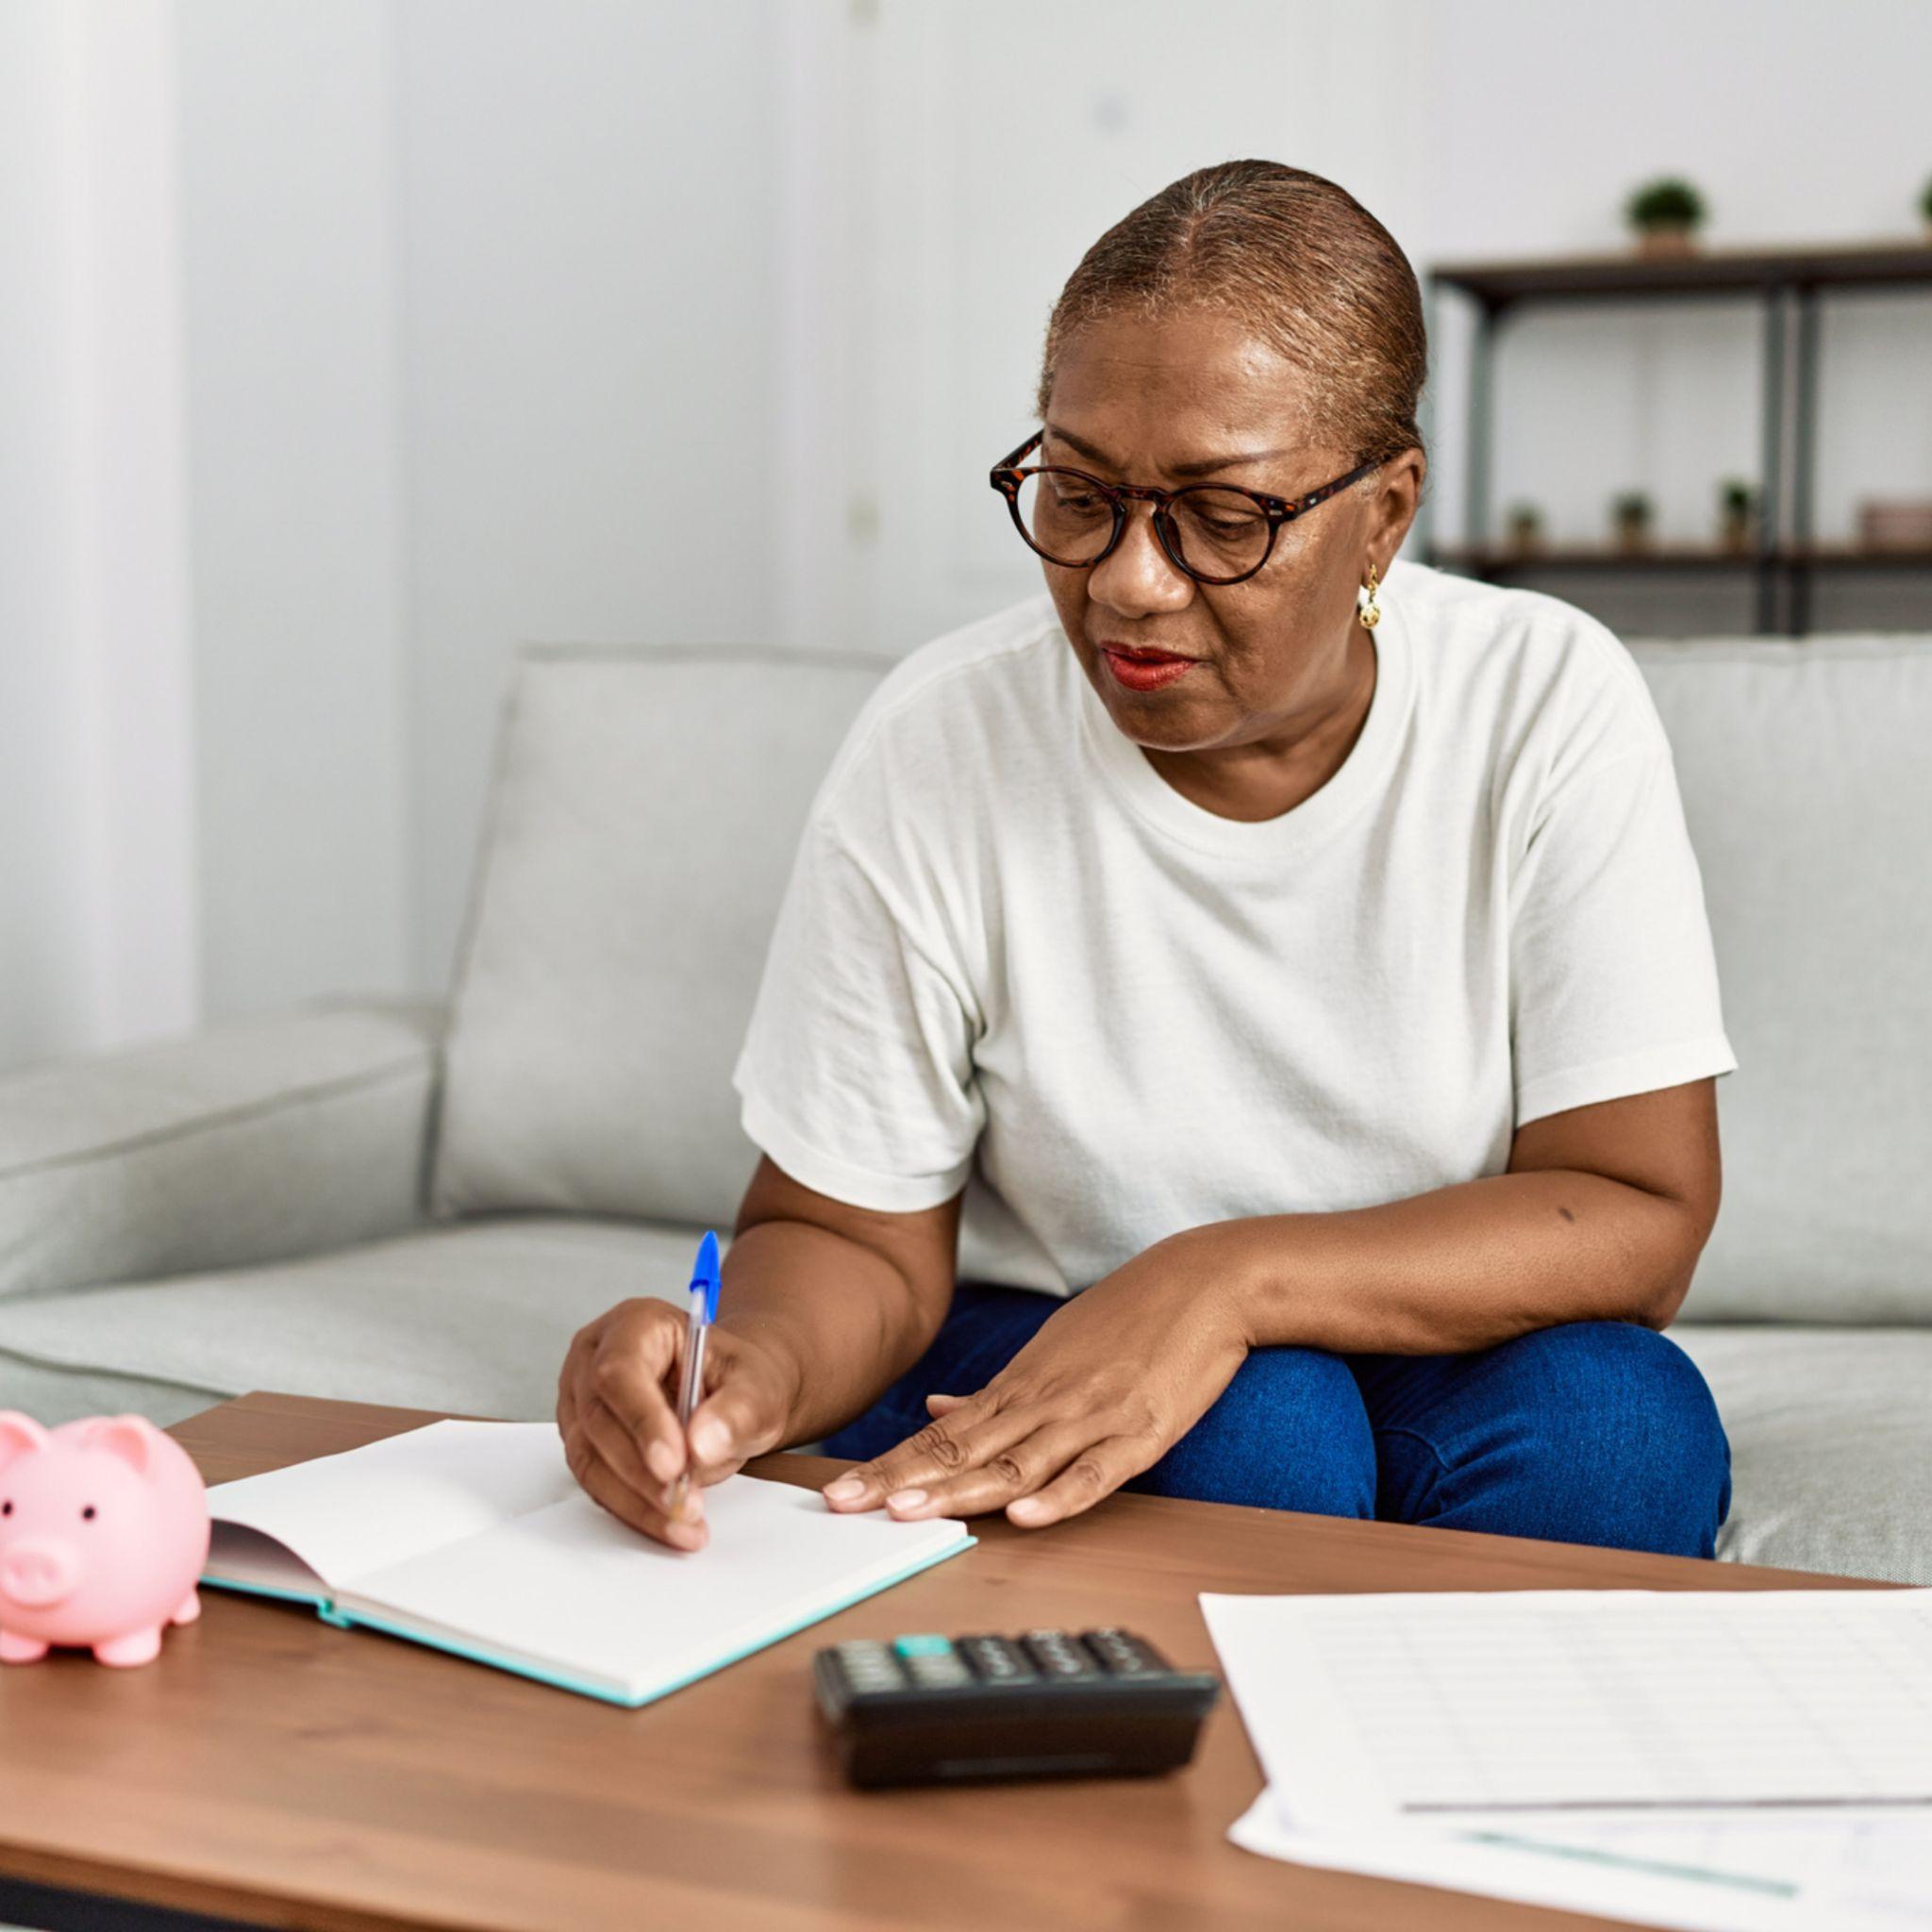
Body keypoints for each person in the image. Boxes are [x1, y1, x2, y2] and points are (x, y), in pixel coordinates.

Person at [556, 159, 1737, 1561]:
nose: (1129, 579)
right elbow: (853, 1238)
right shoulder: (945, 743)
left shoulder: (1544, 701)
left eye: (1222, 518)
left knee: (1624, 1426)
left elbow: (1637, 1209)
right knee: (1264, 1432)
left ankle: (1435, 1761)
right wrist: (742, 1377)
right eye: (1078, 493)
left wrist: (1226, 1278)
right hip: (1046, 1320)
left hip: (1440, 1329)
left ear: (1388, 508)